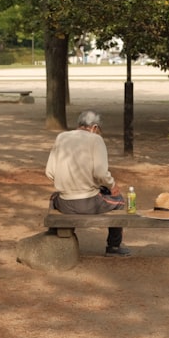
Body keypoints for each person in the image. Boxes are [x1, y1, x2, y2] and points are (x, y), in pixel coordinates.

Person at [46, 109, 130, 256]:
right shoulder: (95, 139)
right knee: (120, 202)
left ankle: (56, 235)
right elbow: (100, 173)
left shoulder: (61, 137)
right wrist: (112, 185)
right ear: (94, 127)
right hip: (88, 203)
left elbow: (49, 172)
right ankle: (114, 247)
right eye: (99, 130)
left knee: (54, 197)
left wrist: (68, 183)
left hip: (64, 203)